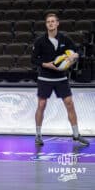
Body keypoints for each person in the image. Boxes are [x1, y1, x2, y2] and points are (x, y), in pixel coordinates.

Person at [31, 13, 89, 146]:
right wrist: (46, 64)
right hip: (45, 77)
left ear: (57, 23)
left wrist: (73, 56)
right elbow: (33, 59)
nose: (50, 24)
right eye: (48, 22)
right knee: (41, 105)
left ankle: (76, 134)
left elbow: (77, 51)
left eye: (53, 21)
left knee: (69, 103)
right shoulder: (40, 41)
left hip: (61, 77)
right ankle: (38, 135)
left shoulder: (64, 39)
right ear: (46, 25)